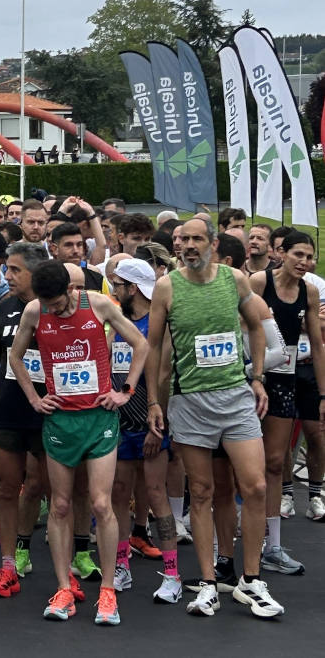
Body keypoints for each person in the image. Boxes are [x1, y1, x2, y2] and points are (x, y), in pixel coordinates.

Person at [145, 218, 284, 619]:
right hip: (190, 403)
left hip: (236, 398)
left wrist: (256, 377)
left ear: (213, 242)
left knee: (255, 486)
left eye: (195, 239)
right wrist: (155, 401)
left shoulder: (234, 280)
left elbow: (257, 329)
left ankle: (252, 579)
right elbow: (153, 347)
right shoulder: (167, 286)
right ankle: (208, 584)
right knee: (202, 493)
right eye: (182, 240)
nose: (188, 245)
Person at [9, 260, 148, 625]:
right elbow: (15, 356)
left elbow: (140, 344)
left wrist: (126, 391)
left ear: (70, 289)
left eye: (57, 303)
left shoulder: (97, 305)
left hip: (98, 418)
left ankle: (107, 592)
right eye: (47, 304)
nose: (52, 310)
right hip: (60, 420)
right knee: (60, 505)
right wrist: (34, 399)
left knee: (102, 504)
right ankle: (63, 588)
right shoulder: (34, 311)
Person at [0, 241, 51, 596]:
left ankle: (65, 557)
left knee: (50, 488)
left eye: (15, 270)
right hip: (6, 411)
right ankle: (8, 564)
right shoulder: (3, 307)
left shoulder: (55, 307)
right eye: (7, 269)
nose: (7, 275)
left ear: (36, 272)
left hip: (49, 411)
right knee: (7, 487)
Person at [248, 231, 325, 576]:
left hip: (286, 378)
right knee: (246, 462)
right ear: (282, 254)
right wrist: (252, 373)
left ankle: (273, 545)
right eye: (298, 254)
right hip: (253, 378)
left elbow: (318, 345)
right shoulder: (258, 282)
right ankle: (241, 530)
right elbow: (241, 328)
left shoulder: (308, 290)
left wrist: (322, 394)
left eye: (310, 257)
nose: (304, 263)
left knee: (276, 461)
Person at [106, 258, 182, 603]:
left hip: (151, 424)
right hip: (119, 425)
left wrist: (158, 424)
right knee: (119, 494)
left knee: (155, 495)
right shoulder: (116, 321)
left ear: (132, 288)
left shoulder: (157, 323)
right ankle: (120, 564)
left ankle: (172, 573)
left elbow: (164, 376)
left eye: (117, 285)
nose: (113, 290)